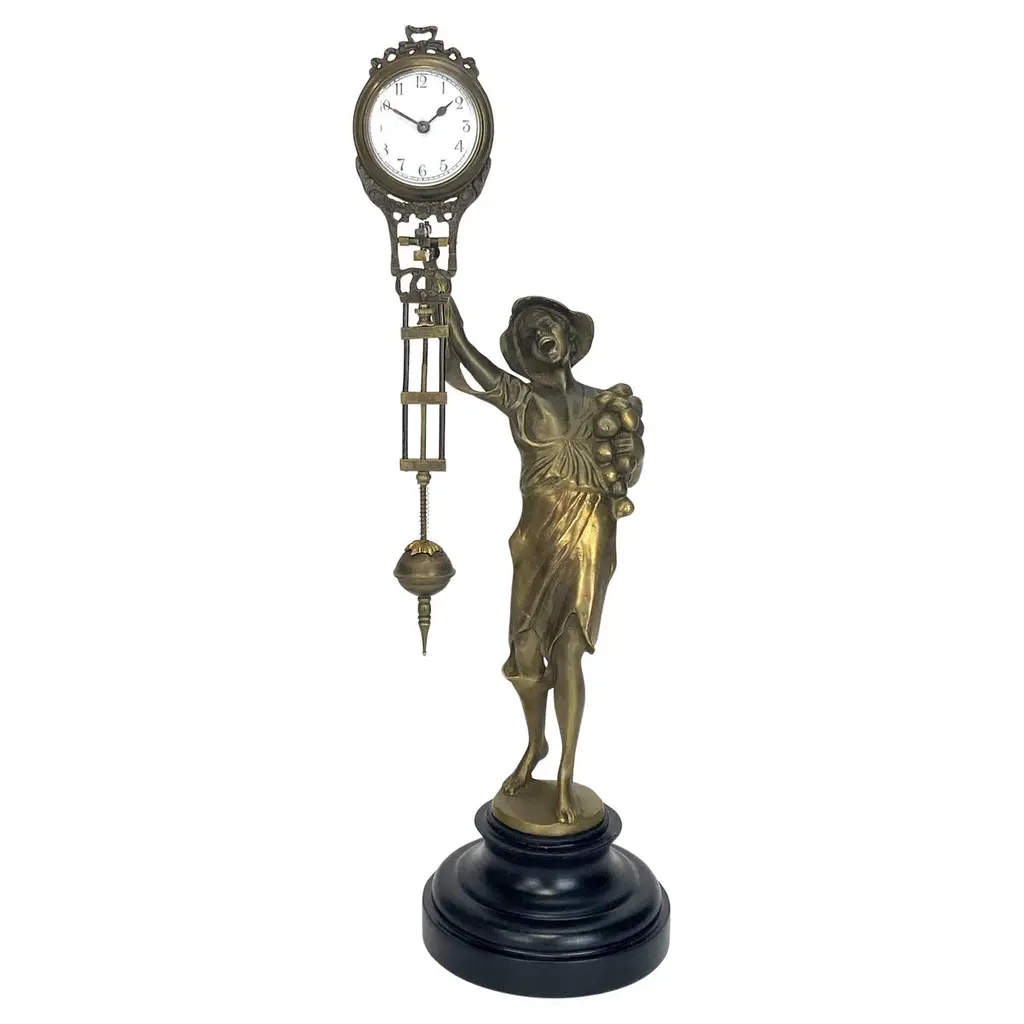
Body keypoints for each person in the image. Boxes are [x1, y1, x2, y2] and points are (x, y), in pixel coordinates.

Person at [445, 294, 644, 824]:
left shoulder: (605, 404)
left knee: (569, 648)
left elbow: (628, 467)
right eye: (530, 334)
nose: (542, 336)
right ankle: (536, 744)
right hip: (537, 536)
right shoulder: (521, 398)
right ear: (522, 352)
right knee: (526, 654)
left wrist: (631, 456)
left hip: (591, 528)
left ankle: (565, 773)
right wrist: (450, 317)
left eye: (549, 326)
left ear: (570, 339)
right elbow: (470, 363)